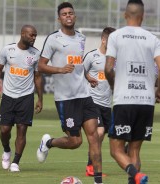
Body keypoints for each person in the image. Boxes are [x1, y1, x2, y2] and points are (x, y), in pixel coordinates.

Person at [36, 2, 103, 184]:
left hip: (85, 95)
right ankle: (48, 143)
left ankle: (98, 181)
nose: (68, 16)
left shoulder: (81, 38)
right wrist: (59, 70)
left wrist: (87, 77)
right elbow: (40, 65)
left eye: (71, 13)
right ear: (59, 18)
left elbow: (79, 66)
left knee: (94, 138)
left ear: (75, 16)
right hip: (66, 99)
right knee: (75, 142)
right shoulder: (53, 39)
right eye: (64, 13)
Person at [104, 0, 160, 184]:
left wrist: (113, 85)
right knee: (134, 150)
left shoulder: (116, 36)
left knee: (116, 150)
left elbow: (108, 68)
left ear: (125, 15)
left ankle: (136, 176)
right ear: (142, 16)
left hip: (124, 100)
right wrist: (157, 89)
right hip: (146, 101)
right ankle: (136, 180)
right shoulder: (153, 39)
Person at [0, 25, 43, 172]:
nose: (34, 38)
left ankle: (16, 162)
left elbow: (38, 77)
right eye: (31, 35)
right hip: (8, 97)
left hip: (26, 97)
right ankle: (6, 151)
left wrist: (40, 99)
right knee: (4, 130)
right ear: (22, 34)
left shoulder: (36, 54)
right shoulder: (8, 50)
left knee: (22, 130)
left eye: (35, 35)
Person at [83, 27, 116, 177]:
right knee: (99, 132)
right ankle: (91, 167)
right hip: (92, 101)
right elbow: (79, 71)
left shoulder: (115, 59)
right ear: (103, 40)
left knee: (111, 136)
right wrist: (88, 78)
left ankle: (93, 163)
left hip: (107, 104)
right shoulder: (92, 56)